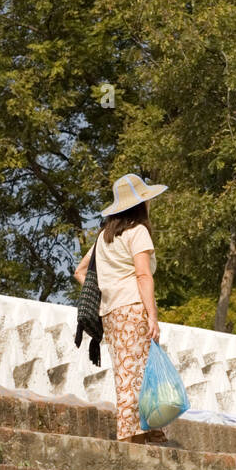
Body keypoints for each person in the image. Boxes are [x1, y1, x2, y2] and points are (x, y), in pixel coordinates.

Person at [74, 174, 168, 444]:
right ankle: (129, 435)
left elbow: (80, 272)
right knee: (137, 374)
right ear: (141, 205)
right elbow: (143, 276)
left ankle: (144, 432)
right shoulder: (138, 232)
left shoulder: (103, 238)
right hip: (133, 309)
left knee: (128, 373)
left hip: (111, 314)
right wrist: (152, 315)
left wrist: (107, 289)